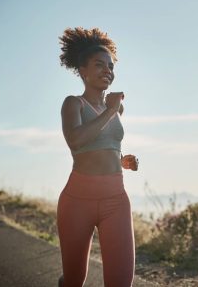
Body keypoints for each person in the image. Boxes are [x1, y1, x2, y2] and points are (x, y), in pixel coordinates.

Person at [56, 27, 139, 287]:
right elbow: (76, 140)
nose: (108, 71)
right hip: (77, 202)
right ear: (83, 71)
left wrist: (121, 158)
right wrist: (110, 110)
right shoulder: (74, 104)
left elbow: (105, 141)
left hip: (116, 199)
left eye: (111, 66)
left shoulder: (115, 108)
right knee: (73, 280)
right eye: (99, 65)